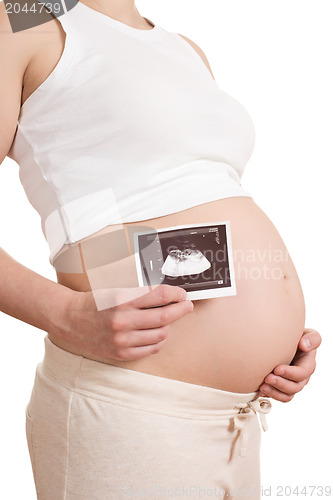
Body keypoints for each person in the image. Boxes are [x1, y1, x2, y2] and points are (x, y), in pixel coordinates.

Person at [0, 0, 322, 498]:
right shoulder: (23, 17)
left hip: (236, 420)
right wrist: (62, 313)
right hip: (129, 405)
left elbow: (194, 198)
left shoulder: (182, 48)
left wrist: (275, 340)